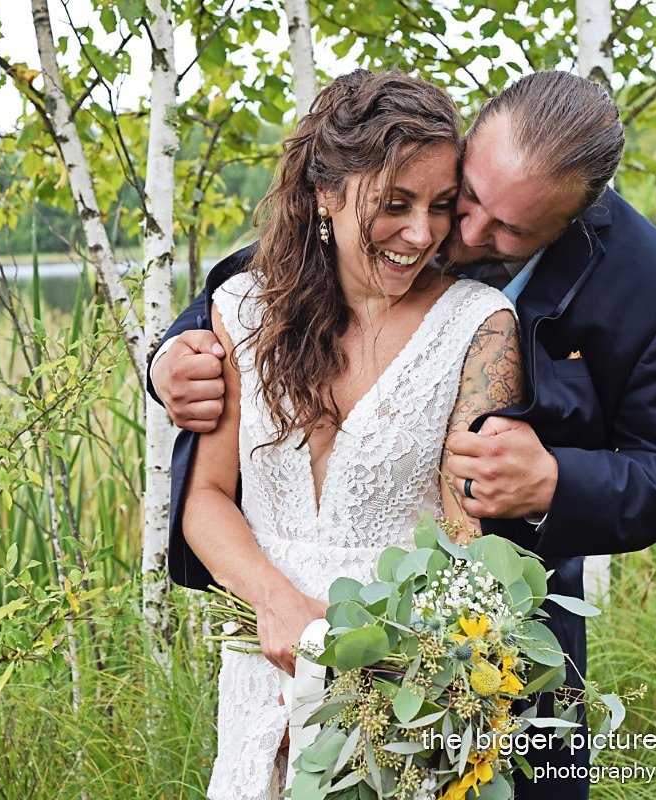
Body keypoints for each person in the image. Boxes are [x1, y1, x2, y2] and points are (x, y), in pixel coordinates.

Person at [154, 70, 656, 800]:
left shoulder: (653, 288)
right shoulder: (415, 178)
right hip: (275, 644)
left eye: (511, 230)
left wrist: (555, 482)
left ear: (579, 214)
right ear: (470, 145)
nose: (460, 236)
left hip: (487, 639)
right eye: (467, 199)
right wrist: (167, 359)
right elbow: (263, 280)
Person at [181, 70, 522, 799]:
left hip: (401, 676)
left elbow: (465, 537)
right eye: (394, 204)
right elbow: (204, 497)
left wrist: (413, 672)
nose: (422, 234)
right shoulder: (243, 309)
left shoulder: (480, 325)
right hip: (261, 656)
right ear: (324, 194)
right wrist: (273, 600)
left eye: (439, 205)